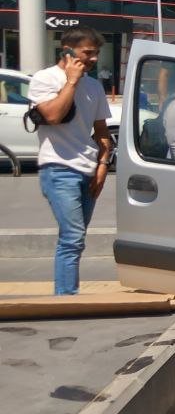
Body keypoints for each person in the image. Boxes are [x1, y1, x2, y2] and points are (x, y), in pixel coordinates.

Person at [27, 27, 113, 295]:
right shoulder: (45, 79)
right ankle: (65, 296)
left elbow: (101, 132)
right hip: (58, 168)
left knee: (77, 237)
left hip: (88, 168)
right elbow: (52, 116)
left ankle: (66, 292)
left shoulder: (94, 86)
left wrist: (102, 166)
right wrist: (71, 81)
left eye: (96, 54)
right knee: (72, 237)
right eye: (88, 53)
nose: (94, 59)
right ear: (67, 50)